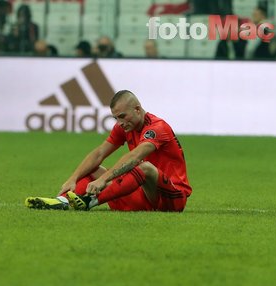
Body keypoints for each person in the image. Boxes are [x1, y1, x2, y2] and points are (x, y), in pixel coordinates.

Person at [25, 90, 192, 212]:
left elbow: (135, 157)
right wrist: (72, 179)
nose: (119, 122)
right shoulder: (125, 127)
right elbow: (99, 154)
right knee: (94, 168)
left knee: (144, 167)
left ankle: (90, 201)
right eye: (116, 118)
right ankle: (63, 201)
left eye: (122, 116)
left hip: (172, 198)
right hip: (144, 196)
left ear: (137, 109)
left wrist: (103, 180)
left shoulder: (157, 127)